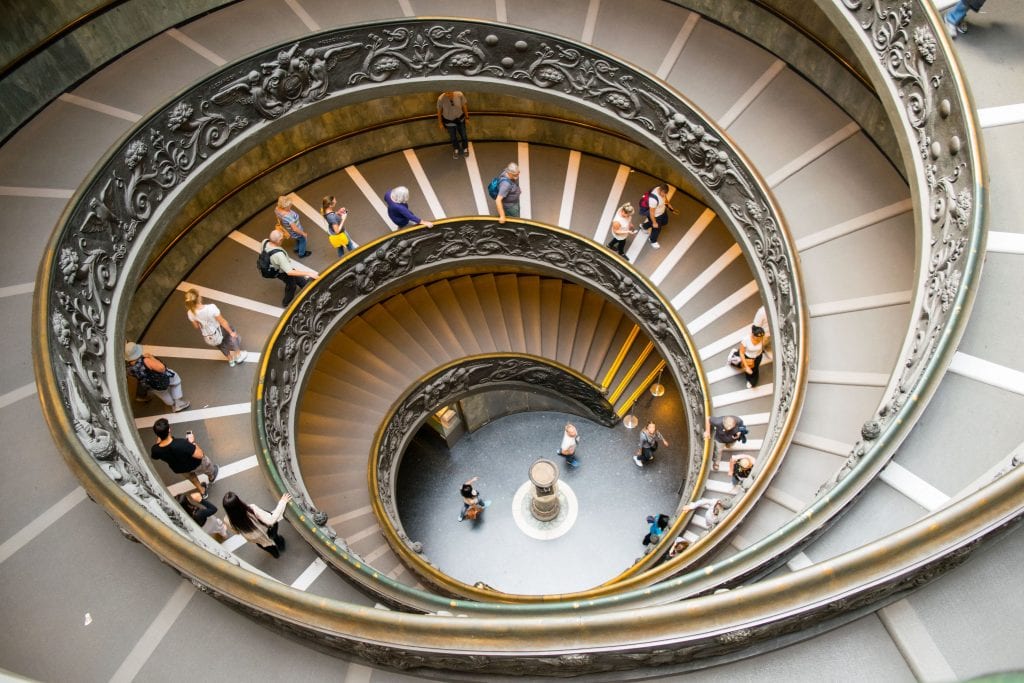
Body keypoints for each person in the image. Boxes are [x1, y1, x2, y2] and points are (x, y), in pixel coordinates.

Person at [150, 418, 219, 498]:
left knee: (192, 477)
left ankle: (202, 491)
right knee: (207, 466)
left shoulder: (155, 449)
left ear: (157, 434)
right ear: (169, 430)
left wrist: (159, 439)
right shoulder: (181, 444)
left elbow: (155, 456)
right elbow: (200, 454)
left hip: (179, 468)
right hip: (195, 464)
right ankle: (211, 476)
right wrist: (192, 442)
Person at [183, 288, 247, 366]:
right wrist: (231, 332)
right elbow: (222, 321)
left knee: (220, 345)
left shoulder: (190, 313)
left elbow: (196, 326)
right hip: (220, 329)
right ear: (198, 298)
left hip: (209, 335)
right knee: (231, 337)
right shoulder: (211, 308)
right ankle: (238, 355)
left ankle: (230, 360)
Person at [222, 491, 293, 558]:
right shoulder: (251, 509)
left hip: (254, 538)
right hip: (266, 531)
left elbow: (236, 532)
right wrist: (283, 502)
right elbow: (271, 520)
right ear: (239, 502)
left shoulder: (227, 520)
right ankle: (280, 545)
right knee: (275, 536)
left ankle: (275, 554)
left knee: (266, 546)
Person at [125, 342, 190, 412]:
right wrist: (151, 357)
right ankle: (178, 402)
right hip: (161, 378)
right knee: (176, 382)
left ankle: (172, 404)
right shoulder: (145, 361)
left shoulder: (129, 368)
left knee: (162, 394)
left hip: (151, 385)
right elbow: (162, 368)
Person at [263, 229, 316, 307]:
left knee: (296, 278)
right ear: (279, 240)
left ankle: (304, 285)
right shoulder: (279, 255)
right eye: (282, 238)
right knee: (291, 285)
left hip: (273, 266)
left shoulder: (265, 242)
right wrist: (308, 273)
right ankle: (286, 302)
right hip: (281, 272)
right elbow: (289, 272)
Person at [639, 184, 677, 249]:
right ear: (660, 190)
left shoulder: (659, 188)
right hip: (656, 215)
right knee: (657, 228)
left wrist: (670, 207)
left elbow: (665, 199)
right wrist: (654, 222)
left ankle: (644, 226)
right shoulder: (653, 200)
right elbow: (651, 212)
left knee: (665, 222)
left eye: (666, 194)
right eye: (664, 193)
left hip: (662, 211)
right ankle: (652, 240)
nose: (664, 195)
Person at [437, 90, 470, 159]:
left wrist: (467, 117)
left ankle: (465, 147)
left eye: (450, 92)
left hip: (460, 119)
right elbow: (439, 112)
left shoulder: (459, 94)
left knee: (464, 135)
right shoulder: (441, 98)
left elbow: (464, 106)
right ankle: (456, 148)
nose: (449, 95)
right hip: (449, 121)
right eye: (447, 93)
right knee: (453, 137)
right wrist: (440, 123)